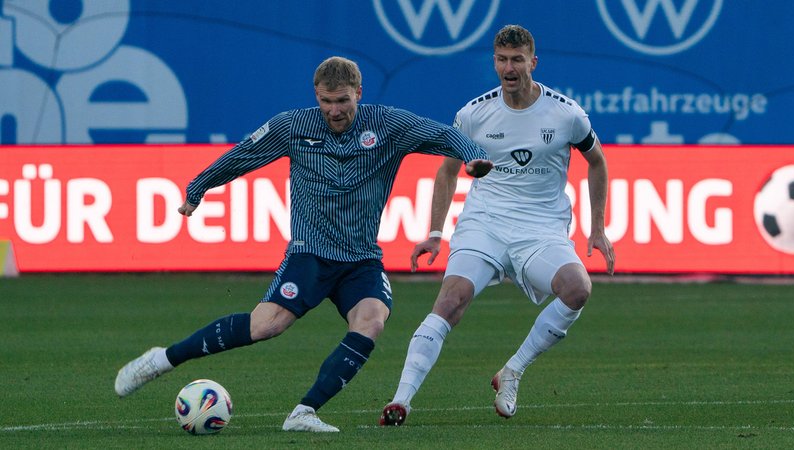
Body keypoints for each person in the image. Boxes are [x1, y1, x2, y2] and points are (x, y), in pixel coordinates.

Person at [114, 56, 493, 433]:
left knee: (372, 319)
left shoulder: (388, 124)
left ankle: (304, 412)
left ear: (359, 93)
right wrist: (198, 188)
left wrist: (474, 156)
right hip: (309, 253)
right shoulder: (293, 126)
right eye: (326, 101)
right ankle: (162, 359)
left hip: (361, 258)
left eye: (343, 100)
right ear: (316, 95)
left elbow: (442, 134)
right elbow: (243, 154)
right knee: (266, 325)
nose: (334, 110)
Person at [379, 25, 615, 426]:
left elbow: (597, 162)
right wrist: (435, 233)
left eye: (517, 60)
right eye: (502, 60)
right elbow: (447, 171)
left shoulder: (566, 114)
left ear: (532, 62)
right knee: (450, 301)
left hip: (540, 229)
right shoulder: (474, 114)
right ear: (494, 62)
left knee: (577, 289)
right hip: (484, 224)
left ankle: (513, 370)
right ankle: (401, 400)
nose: (509, 68)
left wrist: (597, 228)